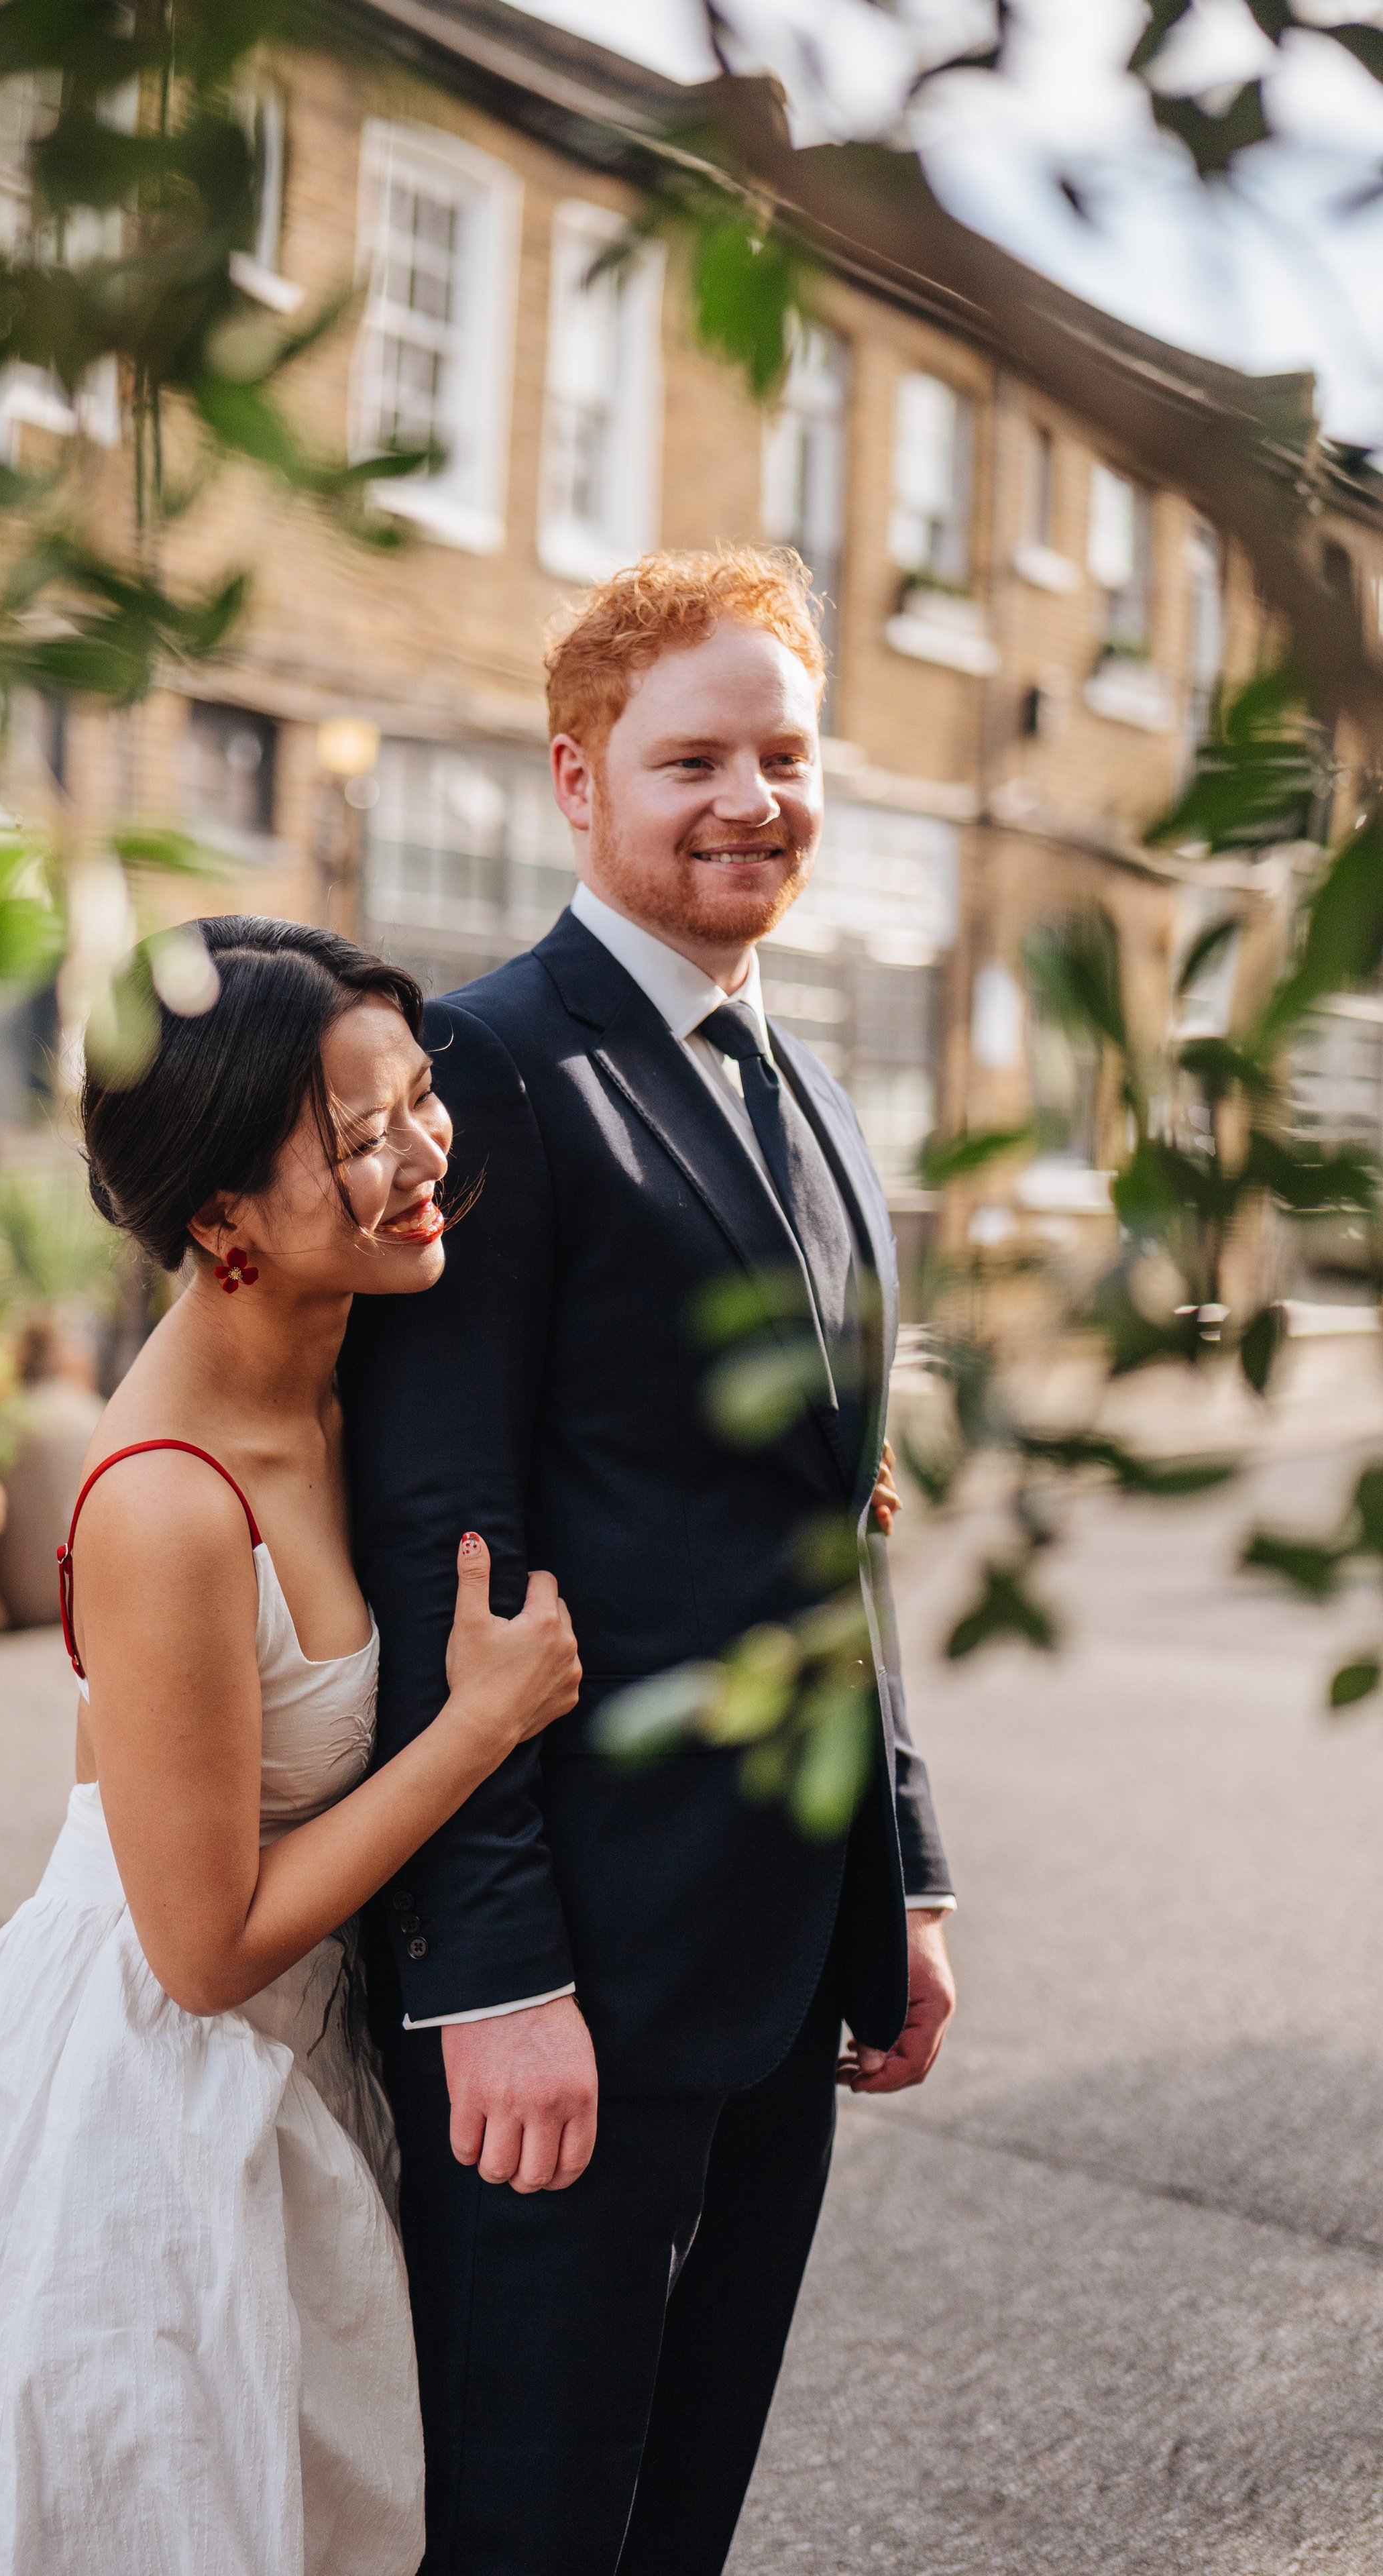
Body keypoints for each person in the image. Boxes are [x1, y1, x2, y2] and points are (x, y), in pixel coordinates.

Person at [0, 918, 582, 2576]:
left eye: (418, 1097)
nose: (419, 1157)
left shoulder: (360, 1360)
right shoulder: (171, 1501)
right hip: (152, 2097)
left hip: (307, 2053)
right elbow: (202, 1948)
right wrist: (474, 1728)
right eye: (356, 1139)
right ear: (217, 1218)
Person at [339, 550, 958, 2576]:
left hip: (786, 1963)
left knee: (679, 2514)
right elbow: (445, 1536)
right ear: (576, 781)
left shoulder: (826, 1104)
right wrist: (493, 1971)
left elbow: (836, 1522)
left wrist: (908, 1864)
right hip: (574, 1980)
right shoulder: (494, 1070)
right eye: (693, 758)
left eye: (783, 755)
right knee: (530, 2525)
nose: (749, 799)